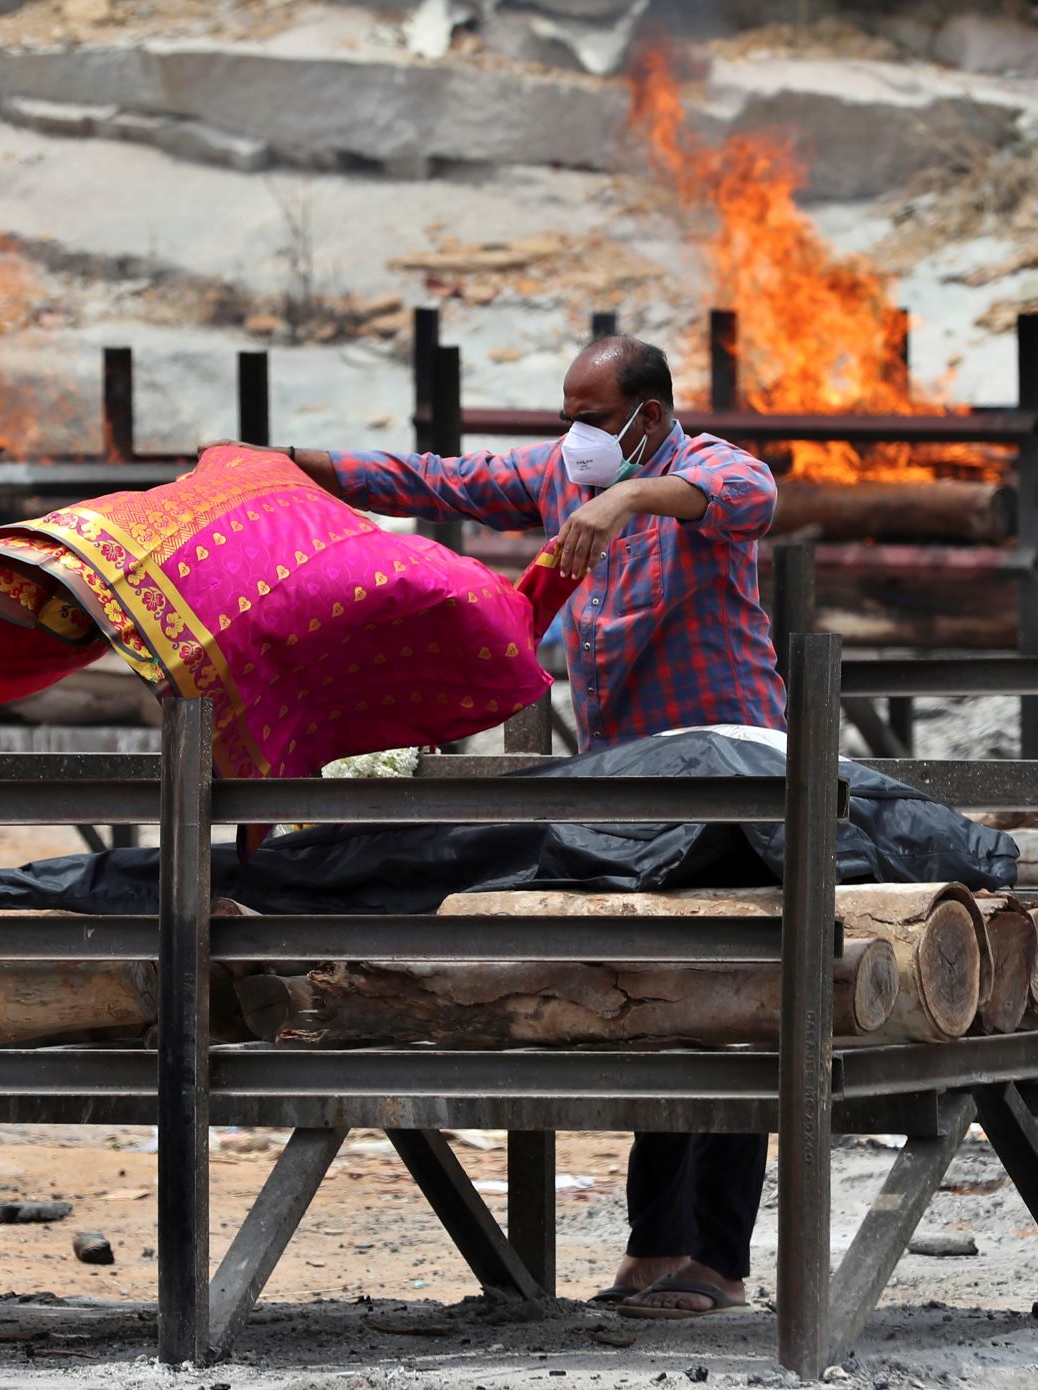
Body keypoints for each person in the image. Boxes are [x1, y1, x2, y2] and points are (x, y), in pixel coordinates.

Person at [227, 334, 785, 1318]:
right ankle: (655, 1246)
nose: (572, 433)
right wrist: (286, 464)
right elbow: (435, 475)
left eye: (590, 413)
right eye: (563, 413)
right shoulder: (556, 480)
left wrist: (625, 499)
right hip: (628, 789)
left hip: (726, 777)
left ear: (646, 415)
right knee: (660, 1001)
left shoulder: (700, 471)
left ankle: (717, 1260)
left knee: (734, 1002)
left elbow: (750, 496)